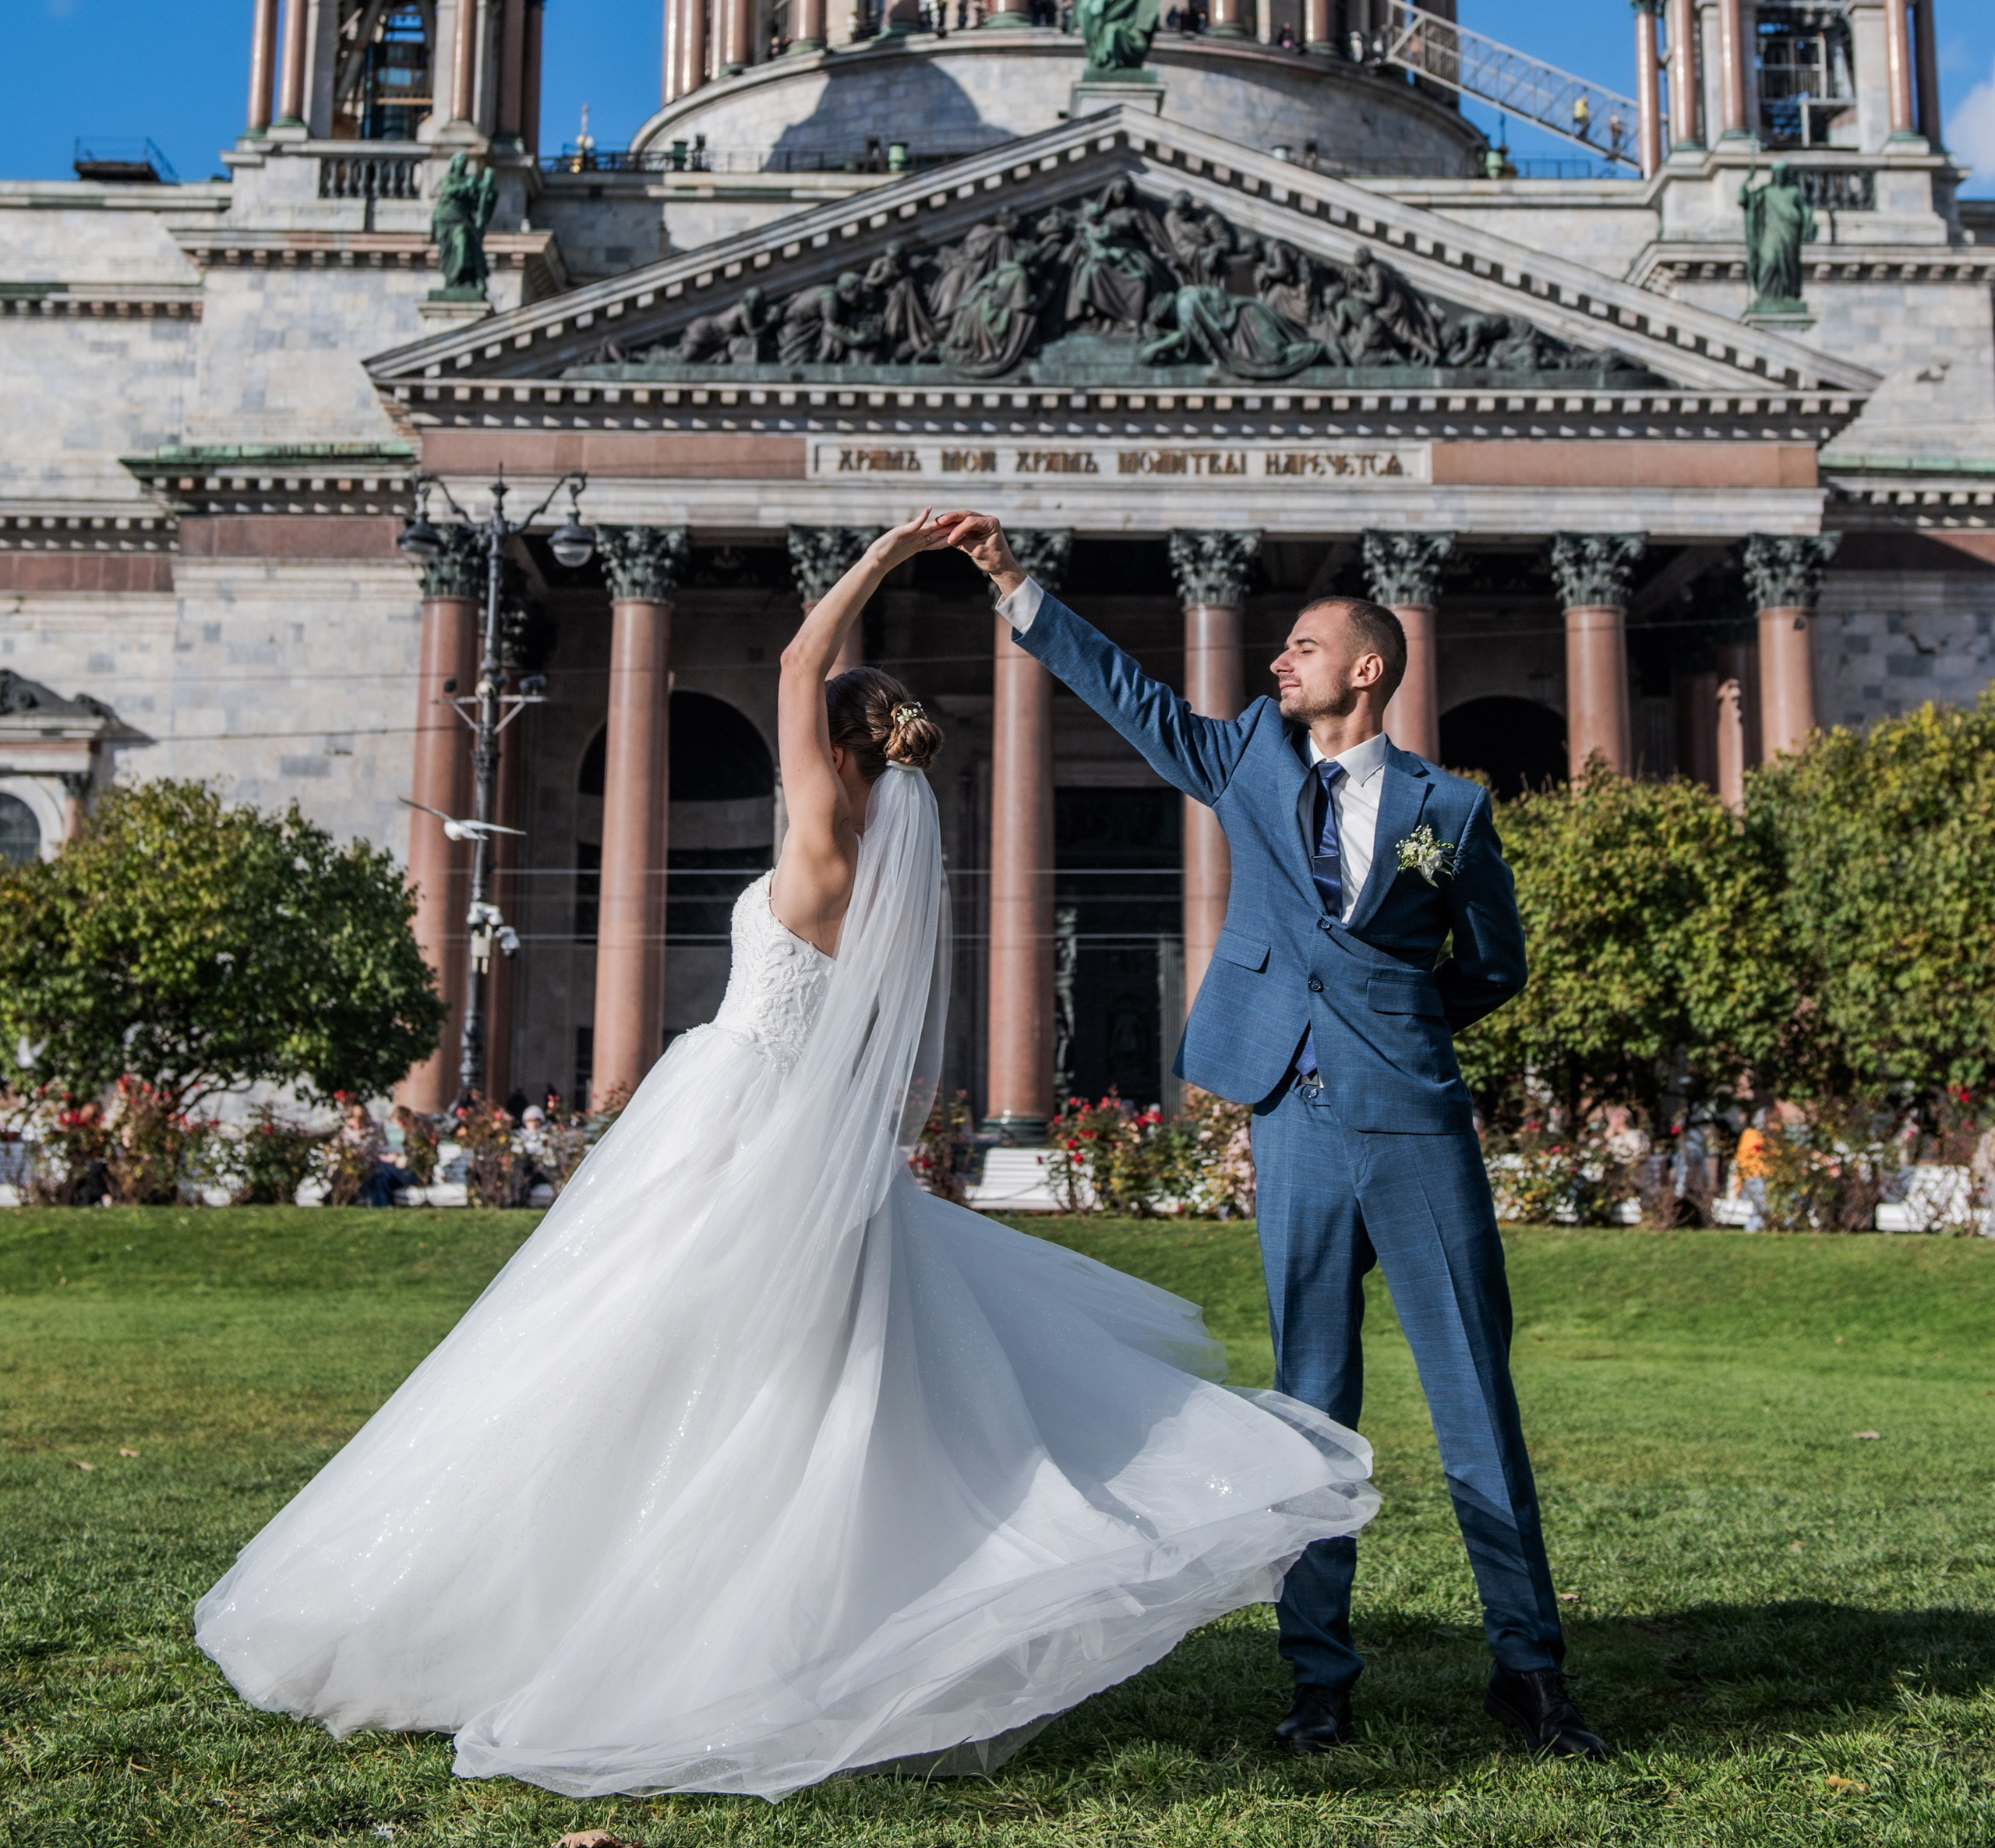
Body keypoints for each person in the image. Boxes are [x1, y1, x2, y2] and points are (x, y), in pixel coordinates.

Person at [195, 517, 1375, 1800]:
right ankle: (777, 1613)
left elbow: (796, 650)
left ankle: (579, 1608)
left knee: (617, 1348)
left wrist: (876, 559)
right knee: (790, 1380)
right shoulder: (881, 857)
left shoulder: (819, 831)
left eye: (817, 720)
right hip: (809, 1125)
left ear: (835, 741)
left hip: (732, 1104)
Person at [941, 509, 1608, 1765]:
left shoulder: (1444, 810)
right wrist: (1020, 589)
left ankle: (1530, 1674)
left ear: (1367, 668)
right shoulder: (1249, 756)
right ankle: (1318, 1684)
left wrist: (1393, 1014)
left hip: (1412, 1117)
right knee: (1311, 1405)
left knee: (1476, 1399)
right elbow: (1137, 698)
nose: (1278, 662)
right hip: (1289, 1120)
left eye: (1303, 647)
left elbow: (1494, 966)